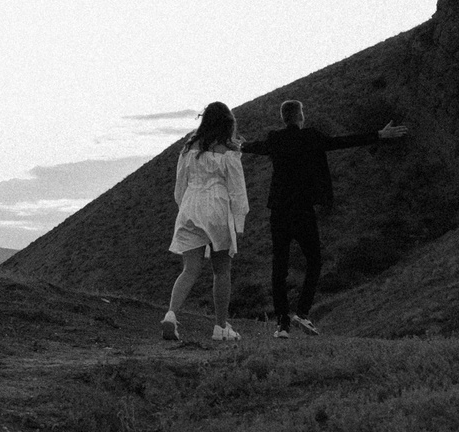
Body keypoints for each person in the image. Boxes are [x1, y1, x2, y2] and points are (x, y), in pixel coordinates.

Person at [242, 99, 407, 336]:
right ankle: (302, 313)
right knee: (314, 261)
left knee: (279, 267)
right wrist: (379, 135)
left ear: (283, 118)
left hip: (279, 211)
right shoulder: (311, 137)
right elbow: (341, 142)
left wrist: (237, 145)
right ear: (300, 116)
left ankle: (282, 324)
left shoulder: (275, 139)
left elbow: (255, 147)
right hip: (303, 210)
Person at [163, 101, 249, 344]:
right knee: (221, 270)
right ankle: (220, 327)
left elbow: (179, 187)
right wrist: (239, 222)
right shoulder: (229, 152)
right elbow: (237, 191)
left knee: (189, 269)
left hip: (191, 206)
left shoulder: (188, 149)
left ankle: (171, 314)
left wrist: (185, 207)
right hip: (218, 208)